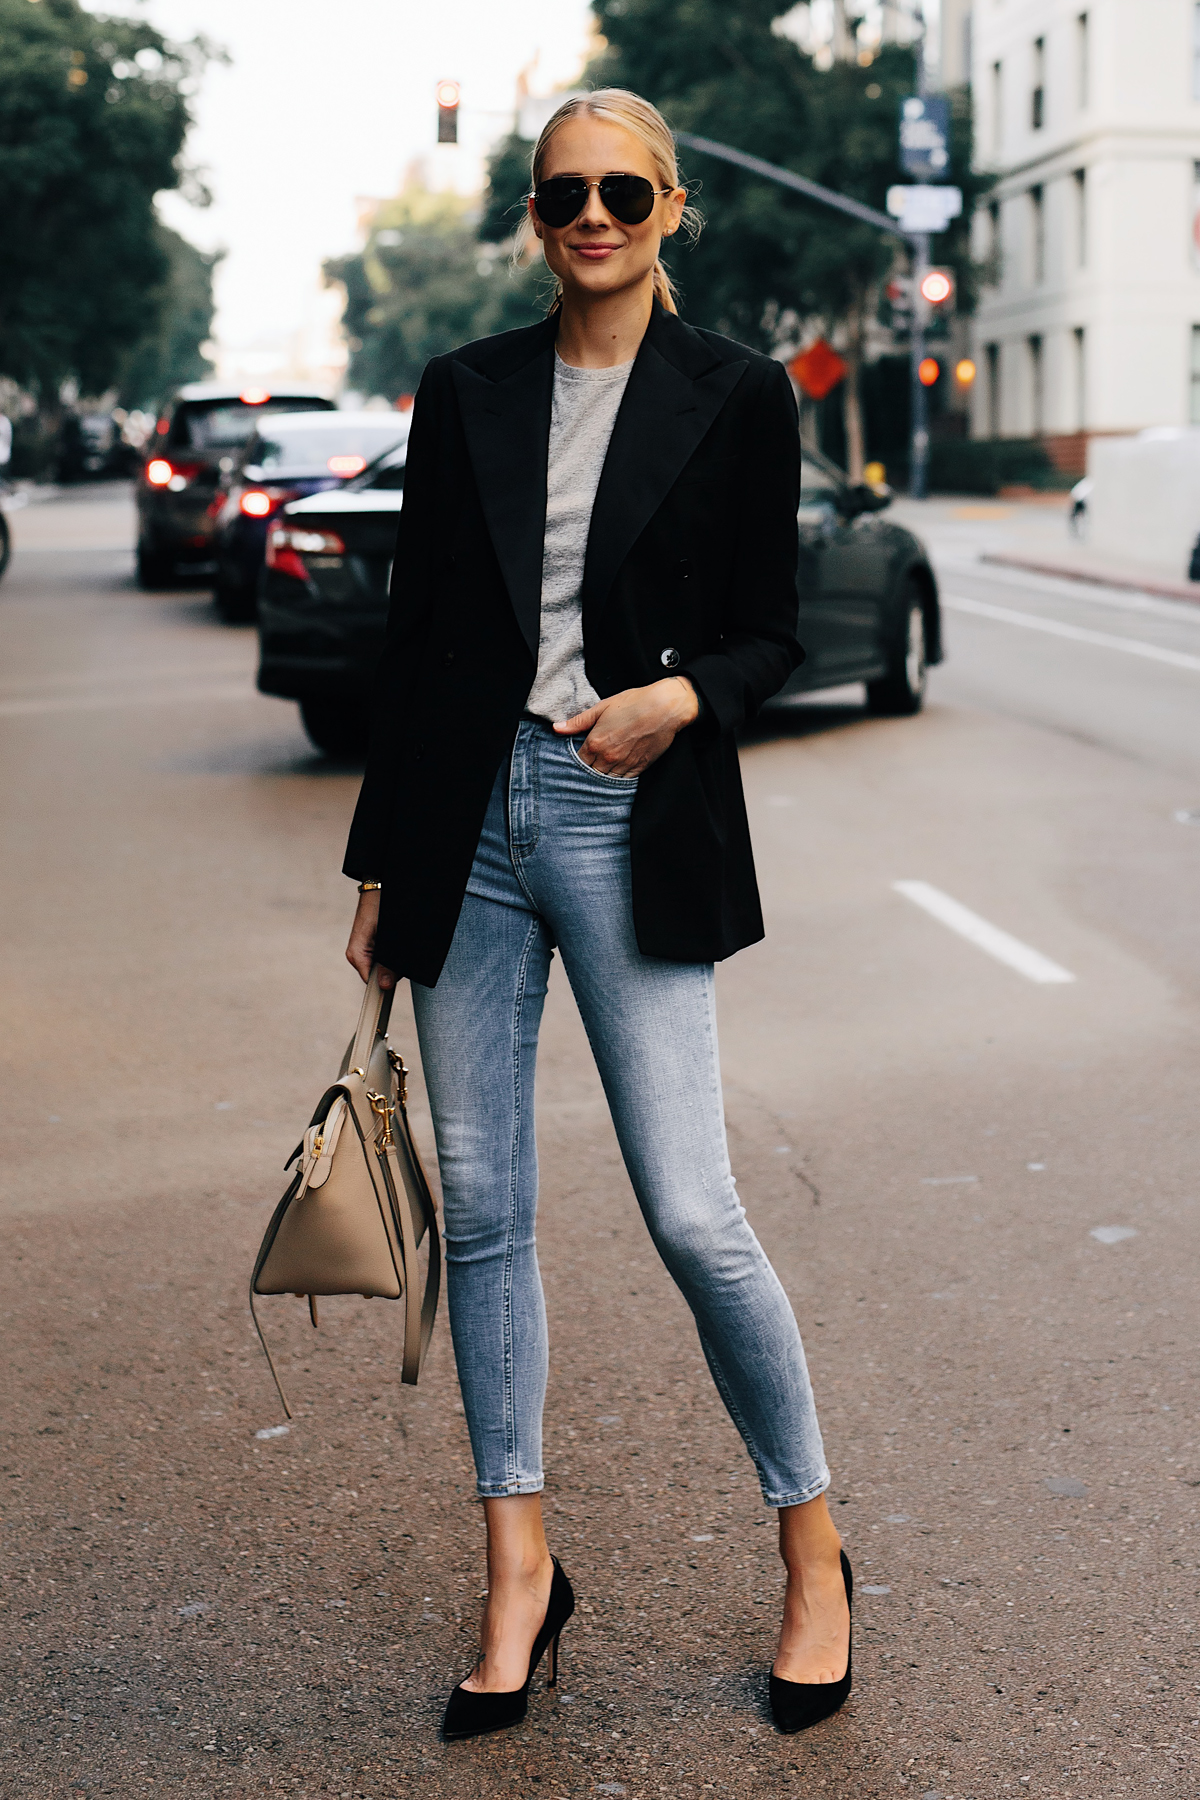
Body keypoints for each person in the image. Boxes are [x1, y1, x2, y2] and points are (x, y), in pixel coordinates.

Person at [344, 87, 851, 1741]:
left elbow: (777, 630)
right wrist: (380, 863)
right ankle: (517, 1568)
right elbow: (418, 639)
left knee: (695, 1211)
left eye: (625, 190)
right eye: (567, 190)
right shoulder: (468, 388)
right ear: (535, 210)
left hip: (630, 813)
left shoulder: (739, 395)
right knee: (486, 1204)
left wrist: (680, 700)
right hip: (467, 825)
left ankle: (815, 1546)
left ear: (673, 208)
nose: (596, 216)